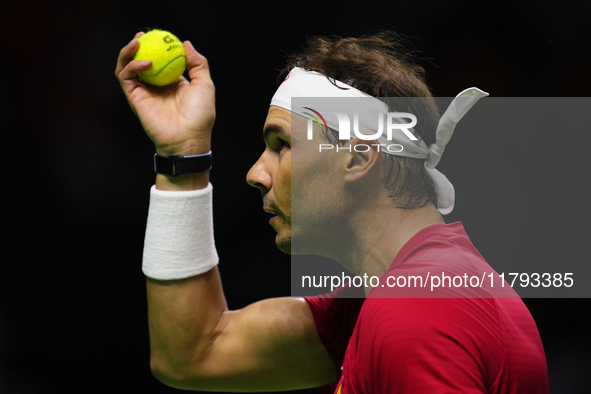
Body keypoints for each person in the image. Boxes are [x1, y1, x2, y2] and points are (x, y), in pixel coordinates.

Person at [115, 30, 549, 393]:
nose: (255, 173)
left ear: (359, 157)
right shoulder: (390, 299)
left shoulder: (417, 310)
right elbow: (193, 353)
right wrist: (182, 154)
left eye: (281, 144)